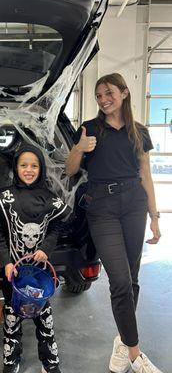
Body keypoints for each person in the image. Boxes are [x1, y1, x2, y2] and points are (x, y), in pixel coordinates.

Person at [65, 73, 162, 373]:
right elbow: (69, 170)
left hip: (134, 205)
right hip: (102, 207)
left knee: (132, 281)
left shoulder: (139, 132)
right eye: (98, 95)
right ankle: (135, 354)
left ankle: (121, 342)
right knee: (119, 280)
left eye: (109, 93)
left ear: (124, 92)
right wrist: (80, 148)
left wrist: (155, 217)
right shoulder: (90, 129)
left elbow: (145, 175)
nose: (104, 99)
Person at [0, 144, 71, 373]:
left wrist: (46, 248)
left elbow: (57, 227)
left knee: (44, 316)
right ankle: (11, 360)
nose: (29, 170)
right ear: (16, 168)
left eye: (34, 165)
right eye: (23, 165)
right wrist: (6, 261)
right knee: (12, 317)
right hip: (13, 272)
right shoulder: (3, 198)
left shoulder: (49, 198)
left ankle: (50, 362)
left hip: (39, 272)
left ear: (41, 168)